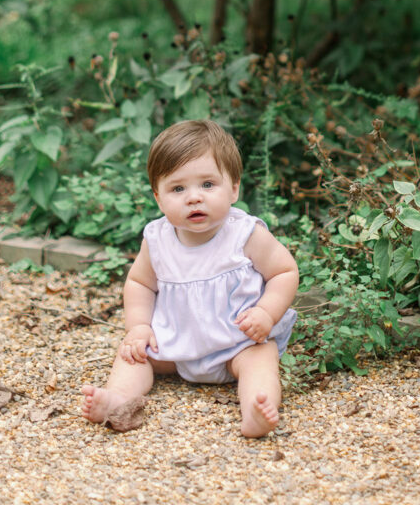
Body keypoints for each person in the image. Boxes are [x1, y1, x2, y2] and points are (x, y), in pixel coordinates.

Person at [81, 119, 299, 437]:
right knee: (134, 354)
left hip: (236, 345)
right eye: (178, 188)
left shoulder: (245, 234)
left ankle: (256, 410)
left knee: (260, 359)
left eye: (207, 185)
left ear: (234, 188)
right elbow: (140, 283)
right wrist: (139, 327)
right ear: (158, 197)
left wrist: (266, 312)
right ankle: (118, 399)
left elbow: (284, 271)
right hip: (175, 343)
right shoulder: (157, 239)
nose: (194, 197)